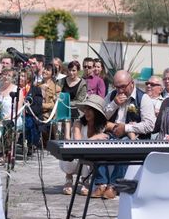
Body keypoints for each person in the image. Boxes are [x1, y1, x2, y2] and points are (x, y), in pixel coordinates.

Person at [91, 70, 156, 199]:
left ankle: (115, 185)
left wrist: (126, 127)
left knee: (123, 145)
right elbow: (101, 117)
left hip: (135, 137)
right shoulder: (112, 95)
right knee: (98, 143)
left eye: (123, 87)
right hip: (112, 133)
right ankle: (101, 183)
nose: (120, 90)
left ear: (131, 83)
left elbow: (150, 125)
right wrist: (114, 104)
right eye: (117, 87)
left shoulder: (143, 98)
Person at [59, 95, 109, 196]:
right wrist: (95, 138)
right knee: (75, 152)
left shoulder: (101, 126)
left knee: (89, 154)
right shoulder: (79, 123)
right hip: (74, 157)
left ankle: (85, 180)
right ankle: (69, 178)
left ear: (97, 112)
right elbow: (78, 143)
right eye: (85, 109)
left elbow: (116, 126)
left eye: (90, 110)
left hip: (88, 160)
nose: (86, 112)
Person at [60, 60, 87, 137]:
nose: (71, 72)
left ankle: (67, 138)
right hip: (62, 107)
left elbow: (80, 101)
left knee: (67, 117)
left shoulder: (82, 83)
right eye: (69, 70)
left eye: (74, 70)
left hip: (75, 109)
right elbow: (58, 92)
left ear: (78, 71)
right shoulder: (62, 80)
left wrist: (66, 103)